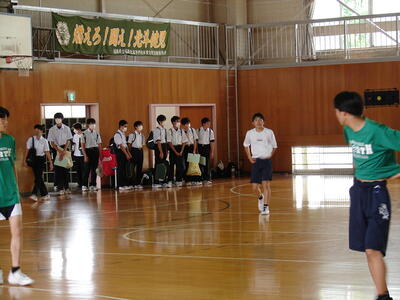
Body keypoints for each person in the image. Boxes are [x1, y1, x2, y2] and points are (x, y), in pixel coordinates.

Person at [334, 91, 400, 300]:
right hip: (358, 192)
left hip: (377, 193)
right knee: (367, 250)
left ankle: (383, 296)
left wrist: (393, 172)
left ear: (343, 113)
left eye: (336, 111)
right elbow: (358, 158)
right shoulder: (348, 131)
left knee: (373, 248)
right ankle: (381, 294)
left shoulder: (378, 131)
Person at [0, 107, 34, 285]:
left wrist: (17, 188)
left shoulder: (9, 140)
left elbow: (12, 165)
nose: (6, 123)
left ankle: (15, 271)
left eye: (6, 120)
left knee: (18, 232)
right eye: (2, 120)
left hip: (11, 194)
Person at [243, 113, 277, 215]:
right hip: (256, 162)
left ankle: (266, 207)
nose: (258, 122)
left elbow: (274, 146)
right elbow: (246, 145)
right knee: (254, 187)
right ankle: (260, 197)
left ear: (263, 121)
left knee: (266, 185)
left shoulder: (269, 132)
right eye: (256, 120)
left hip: (266, 161)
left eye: (260, 120)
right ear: (253, 123)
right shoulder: (249, 133)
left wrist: (270, 155)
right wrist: (249, 157)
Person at [24, 124, 53, 201]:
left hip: (41, 159)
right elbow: (27, 150)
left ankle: (34, 194)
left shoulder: (44, 141)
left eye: (37, 130)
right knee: (38, 177)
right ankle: (45, 194)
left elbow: (47, 152)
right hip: (33, 160)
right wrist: (25, 160)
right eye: (35, 129)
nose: (36, 131)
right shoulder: (31, 139)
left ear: (41, 131)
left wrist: (50, 162)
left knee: (38, 177)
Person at [47, 113, 72, 195]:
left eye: (59, 118)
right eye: (56, 118)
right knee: (58, 169)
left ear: (62, 119)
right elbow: (51, 142)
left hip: (65, 148)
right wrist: (59, 151)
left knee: (66, 168)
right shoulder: (52, 129)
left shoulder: (67, 128)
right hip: (56, 149)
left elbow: (69, 140)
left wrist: (64, 150)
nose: (57, 120)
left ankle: (67, 187)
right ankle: (60, 188)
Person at [82, 118, 102, 191]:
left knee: (94, 169)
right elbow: (83, 145)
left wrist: (100, 155)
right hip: (88, 151)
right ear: (88, 125)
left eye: (94, 123)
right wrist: (85, 155)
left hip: (95, 151)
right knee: (86, 169)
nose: (93, 125)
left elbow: (99, 145)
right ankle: (84, 185)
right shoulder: (84, 134)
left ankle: (93, 185)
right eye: (91, 124)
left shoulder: (96, 133)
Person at [167, 116, 187, 187]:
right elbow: (169, 142)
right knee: (171, 165)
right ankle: (170, 181)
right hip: (173, 149)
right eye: (177, 121)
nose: (178, 123)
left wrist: (181, 151)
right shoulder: (169, 131)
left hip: (180, 148)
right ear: (173, 122)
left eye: (179, 121)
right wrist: (175, 152)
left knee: (181, 166)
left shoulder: (181, 131)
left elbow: (184, 141)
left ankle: (179, 180)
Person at [181, 117, 201, 185]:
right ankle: (187, 180)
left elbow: (195, 140)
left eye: (189, 123)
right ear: (183, 125)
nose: (188, 125)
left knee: (194, 164)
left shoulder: (192, 130)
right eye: (186, 124)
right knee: (186, 164)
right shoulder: (181, 131)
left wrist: (194, 150)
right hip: (185, 148)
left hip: (192, 147)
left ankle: (195, 180)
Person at [114, 120, 132, 191]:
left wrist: (129, 153)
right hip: (120, 152)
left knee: (124, 169)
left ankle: (124, 184)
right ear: (121, 126)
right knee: (120, 169)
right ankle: (120, 185)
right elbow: (121, 146)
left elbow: (125, 145)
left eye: (126, 126)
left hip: (124, 152)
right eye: (125, 126)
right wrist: (126, 154)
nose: (126, 128)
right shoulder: (117, 134)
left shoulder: (123, 134)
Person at [197, 117, 215, 185]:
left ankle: (207, 179)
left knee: (207, 164)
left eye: (209, 123)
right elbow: (196, 141)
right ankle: (200, 178)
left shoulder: (210, 131)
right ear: (203, 124)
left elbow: (212, 142)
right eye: (207, 123)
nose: (209, 124)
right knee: (200, 163)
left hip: (207, 148)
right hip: (200, 147)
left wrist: (212, 152)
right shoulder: (198, 130)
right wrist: (196, 150)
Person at [128, 121, 145, 189]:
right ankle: (132, 183)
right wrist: (129, 153)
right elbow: (129, 145)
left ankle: (138, 183)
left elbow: (142, 144)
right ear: (136, 127)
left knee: (139, 167)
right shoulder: (132, 134)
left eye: (141, 125)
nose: (141, 127)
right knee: (132, 167)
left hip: (140, 151)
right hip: (134, 151)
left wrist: (140, 149)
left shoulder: (142, 135)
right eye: (139, 126)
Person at [153, 115, 169, 188]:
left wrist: (166, 151)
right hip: (159, 147)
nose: (164, 122)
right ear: (160, 121)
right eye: (163, 121)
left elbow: (165, 140)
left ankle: (162, 180)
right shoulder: (157, 130)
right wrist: (161, 152)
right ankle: (157, 182)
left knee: (164, 163)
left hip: (164, 146)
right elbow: (158, 141)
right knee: (158, 163)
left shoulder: (164, 129)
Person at [72, 123, 87, 191]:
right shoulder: (74, 136)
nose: (74, 130)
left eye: (74, 129)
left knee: (84, 170)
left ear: (78, 129)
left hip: (82, 155)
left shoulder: (84, 135)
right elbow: (74, 144)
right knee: (78, 170)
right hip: (76, 154)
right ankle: (79, 183)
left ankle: (84, 183)